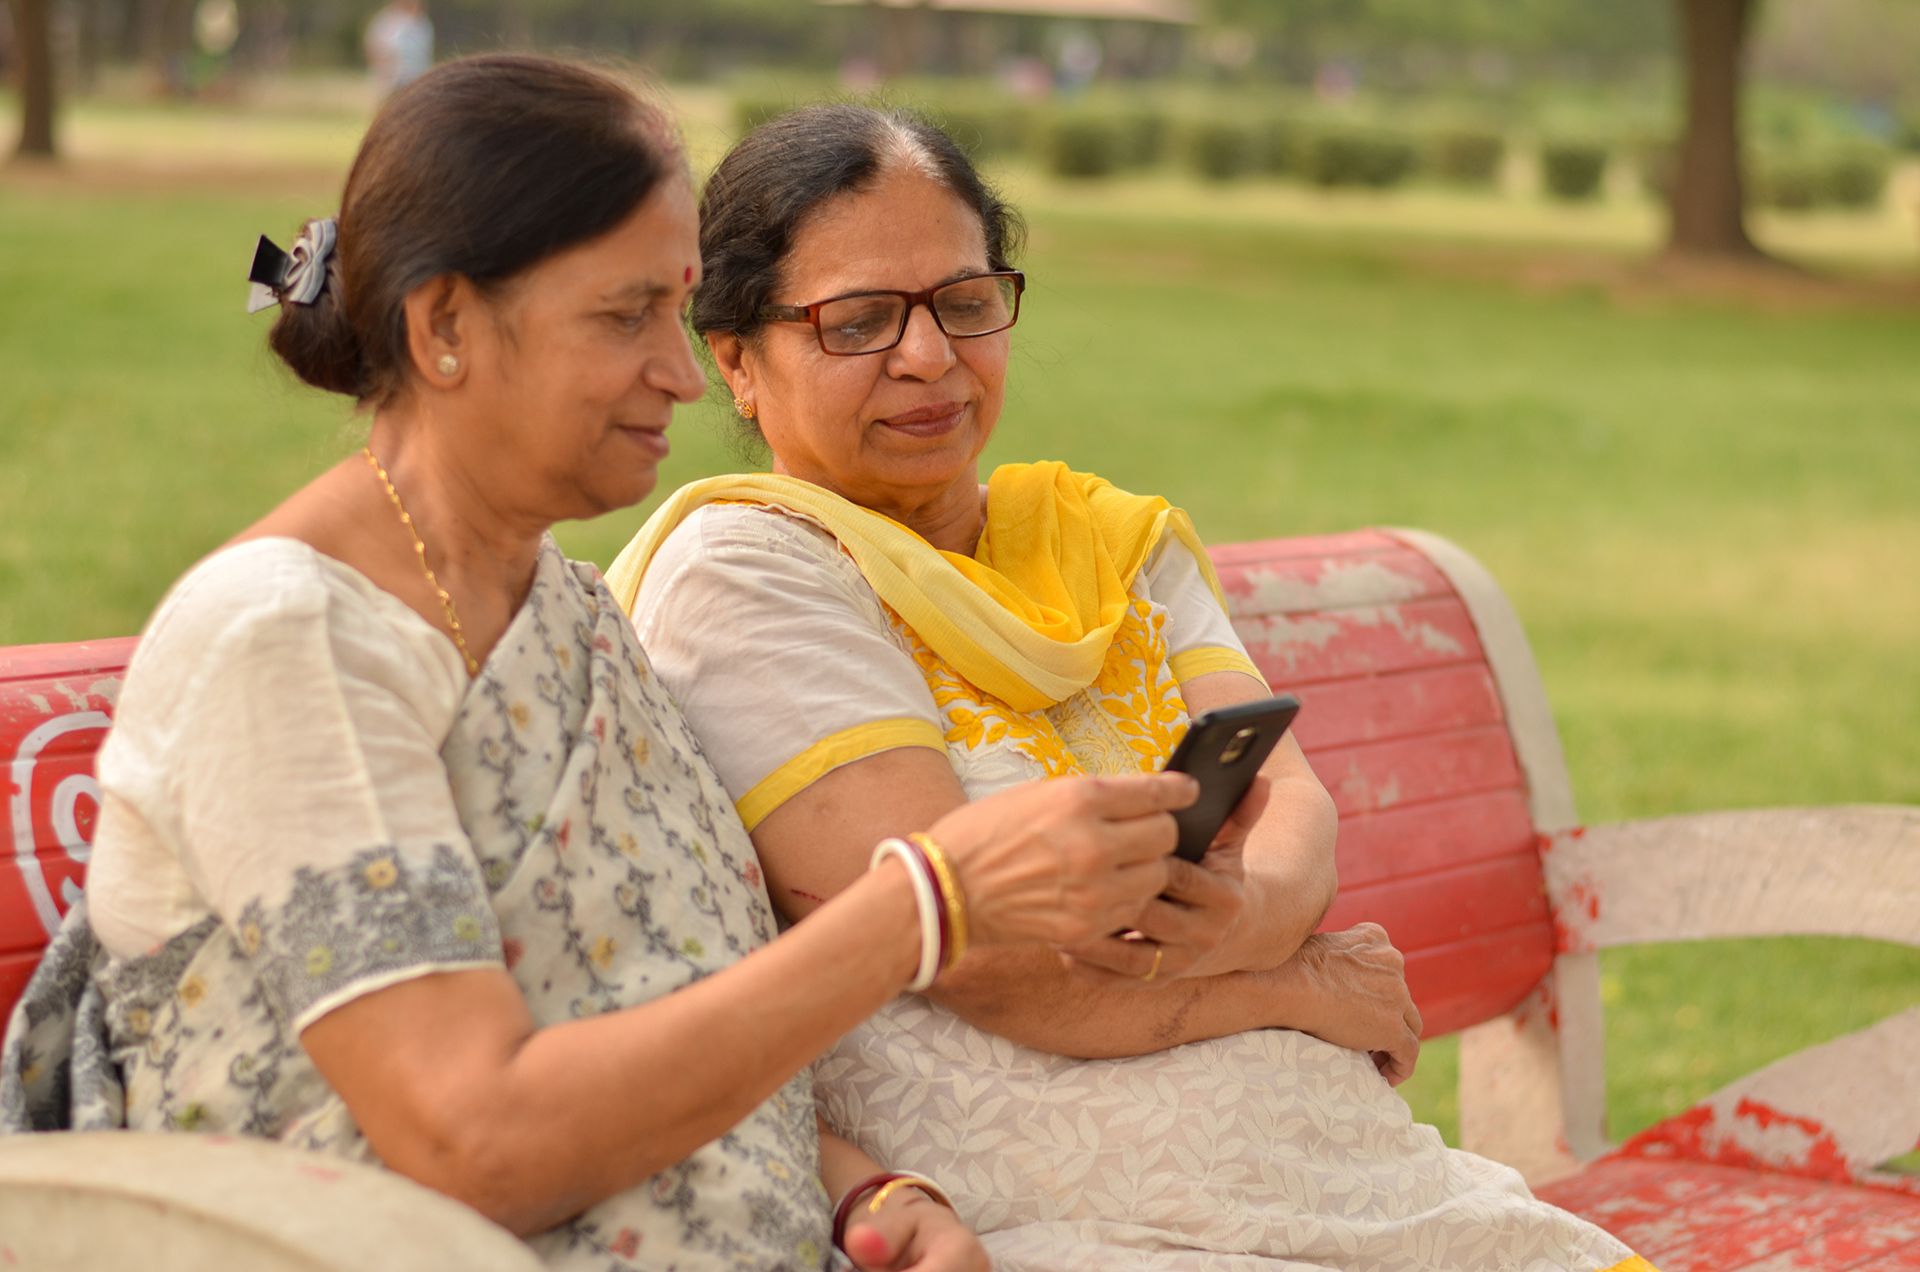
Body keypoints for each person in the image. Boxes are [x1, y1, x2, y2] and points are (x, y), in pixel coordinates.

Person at [0, 58, 1211, 1272]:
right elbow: (475, 1142)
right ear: (445, 327)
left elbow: (665, 993)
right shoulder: (289, 643)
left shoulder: (573, 615)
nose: (687, 376)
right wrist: (931, 904)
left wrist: (860, 1190)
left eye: (676, 310)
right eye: (626, 315)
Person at [607, 104, 1655, 1272]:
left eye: (963, 302)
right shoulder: (752, 575)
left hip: (1364, 1190)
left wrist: (1254, 917)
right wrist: (1295, 982)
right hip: (1055, 1216)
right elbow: (989, 962)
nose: (929, 357)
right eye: (858, 322)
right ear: (737, 360)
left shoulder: (1104, 543)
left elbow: (1289, 808)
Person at [363, 0, 431, 95]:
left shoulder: (423, 23)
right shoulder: (388, 19)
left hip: (416, 77)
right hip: (393, 79)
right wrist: (383, 68)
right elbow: (373, 46)